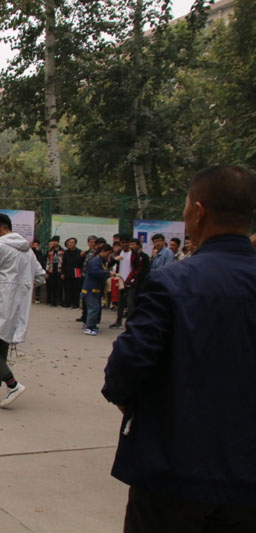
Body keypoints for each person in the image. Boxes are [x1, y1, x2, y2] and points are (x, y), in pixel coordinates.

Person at [102, 165, 256, 531]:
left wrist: (125, 397)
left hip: (173, 469)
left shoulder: (171, 282)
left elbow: (128, 364)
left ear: (198, 212)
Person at [0, 214, 45, 408]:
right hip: (17, 304)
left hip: (0, 301)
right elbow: (40, 276)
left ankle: (13, 384)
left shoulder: (1, 246)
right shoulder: (28, 251)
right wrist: (22, 286)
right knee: (1, 344)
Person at [82, 244, 114, 336]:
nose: (109, 256)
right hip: (90, 289)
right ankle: (88, 327)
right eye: (108, 253)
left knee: (96, 308)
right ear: (103, 251)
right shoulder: (95, 261)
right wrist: (108, 273)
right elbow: (95, 272)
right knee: (93, 308)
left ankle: (93, 326)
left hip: (97, 289)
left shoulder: (101, 261)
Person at [109, 235, 133, 329]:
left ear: (129, 243)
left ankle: (130, 324)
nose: (124, 244)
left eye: (126, 242)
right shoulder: (119, 252)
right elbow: (109, 264)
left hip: (131, 282)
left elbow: (137, 268)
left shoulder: (134, 253)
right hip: (120, 281)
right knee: (120, 303)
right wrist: (115, 259)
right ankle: (118, 322)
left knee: (130, 303)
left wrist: (133, 279)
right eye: (122, 243)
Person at [60, 237, 83, 309]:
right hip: (67, 272)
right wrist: (62, 273)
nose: (70, 244)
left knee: (76, 288)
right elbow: (64, 263)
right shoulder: (66, 252)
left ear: (75, 244)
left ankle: (75, 303)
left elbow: (81, 263)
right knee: (67, 288)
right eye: (69, 242)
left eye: (72, 242)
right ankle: (67, 303)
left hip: (76, 271)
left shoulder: (79, 252)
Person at [45, 236, 63, 306]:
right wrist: (47, 272)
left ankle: (60, 302)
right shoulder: (50, 251)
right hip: (51, 271)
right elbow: (47, 262)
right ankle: (53, 302)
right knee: (52, 287)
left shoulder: (62, 251)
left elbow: (64, 262)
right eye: (53, 241)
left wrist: (63, 272)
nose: (55, 243)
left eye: (56, 241)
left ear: (58, 242)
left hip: (59, 271)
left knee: (60, 287)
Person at [31, 238, 46, 304]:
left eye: (36, 245)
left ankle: (37, 297)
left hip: (37, 269)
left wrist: (38, 251)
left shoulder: (40, 252)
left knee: (38, 283)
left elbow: (41, 260)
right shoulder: (30, 252)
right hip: (31, 269)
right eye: (34, 245)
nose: (35, 246)